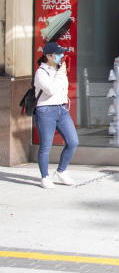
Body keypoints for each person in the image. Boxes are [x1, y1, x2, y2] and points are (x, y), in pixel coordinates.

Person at [34, 42, 79, 188]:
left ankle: (61, 171)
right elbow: (50, 90)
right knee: (46, 146)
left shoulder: (59, 70)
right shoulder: (41, 72)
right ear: (49, 56)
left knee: (73, 141)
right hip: (46, 110)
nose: (62, 56)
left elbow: (63, 90)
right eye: (58, 54)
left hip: (62, 109)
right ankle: (45, 177)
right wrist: (60, 74)